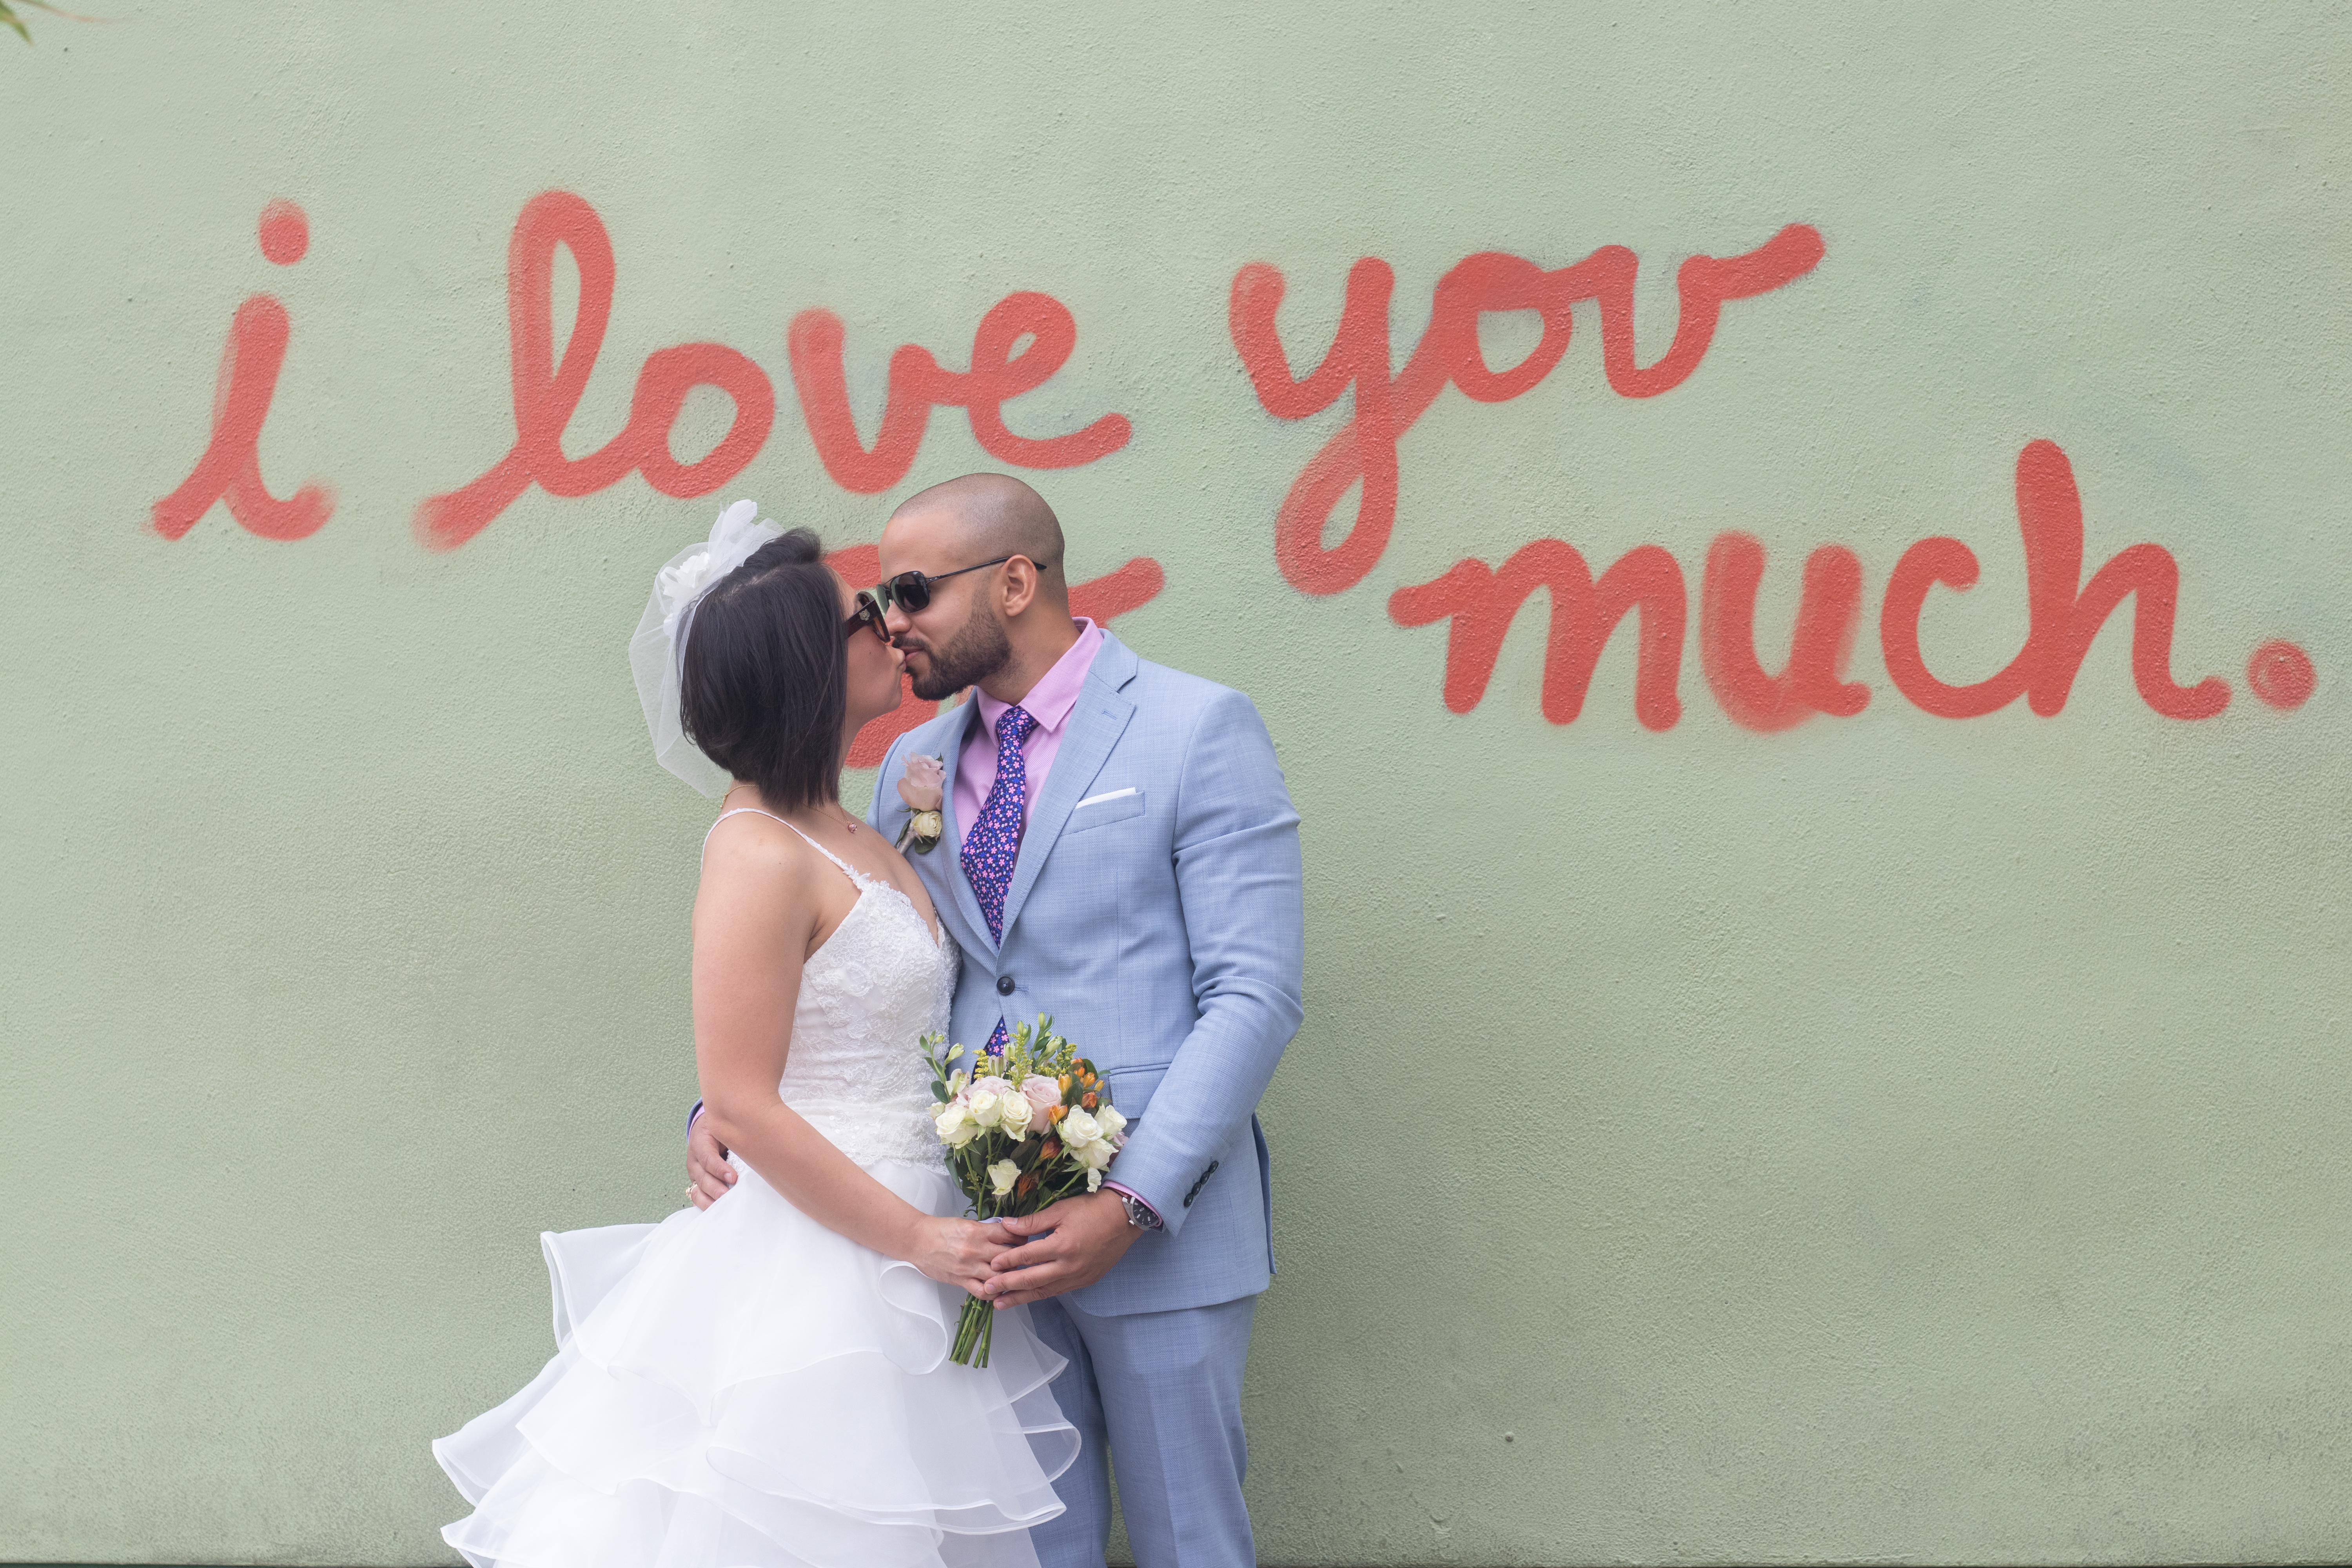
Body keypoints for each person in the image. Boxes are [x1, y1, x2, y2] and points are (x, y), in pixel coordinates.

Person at [434, 503, 1077, 1568]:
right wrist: (918, 1241)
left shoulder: (859, 821)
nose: (885, 623)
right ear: (804, 672)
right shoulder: (754, 852)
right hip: (825, 1276)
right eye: (858, 616)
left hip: (915, 1238)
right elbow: (740, 1100)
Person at [688, 475, 1306, 1568]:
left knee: (1190, 1543)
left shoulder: (1194, 727)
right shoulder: (897, 785)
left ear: (1015, 582)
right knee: (1025, 1552)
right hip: (979, 1255)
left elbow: (1253, 995)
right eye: (879, 599)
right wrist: (725, 1108)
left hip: (1159, 1236)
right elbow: (859, 980)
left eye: (913, 591)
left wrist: (1128, 1202)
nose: (891, 621)